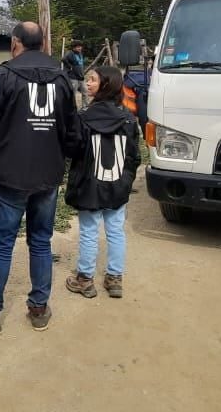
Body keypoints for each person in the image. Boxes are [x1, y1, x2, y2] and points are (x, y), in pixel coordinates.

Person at [0, 21, 80, 336]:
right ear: (42, 43)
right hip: (48, 176)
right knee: (41, 241)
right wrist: (62, 155)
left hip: (10, 176)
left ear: (15, 42)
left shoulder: (2, 76)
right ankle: (39, 309)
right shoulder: (61, 78)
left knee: (2, 244)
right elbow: (73, 132)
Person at [64, 65, 141, 300]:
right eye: (87, 80)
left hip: (90, 187)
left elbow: (73, 150)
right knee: (116, 231)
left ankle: (85, 280)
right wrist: (126, 180)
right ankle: (114, 279)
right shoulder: (128, 119)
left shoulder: (84, 118)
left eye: (93, 80)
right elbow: (134, 156)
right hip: (117, 185)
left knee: (89, 231)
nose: (87, 84)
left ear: (105, 85)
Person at [62, 41, 87, 109]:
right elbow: (63, 59)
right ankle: (71, 107)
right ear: (73, 47)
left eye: (80, 46)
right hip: (73, 77)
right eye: (78, 47)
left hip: (81, 77)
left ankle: (85, 107)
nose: (80, 48)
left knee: (85, 92)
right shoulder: (70, 53)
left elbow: (80, 64)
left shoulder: (80, 54)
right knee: (73, 93)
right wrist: (70, 67)